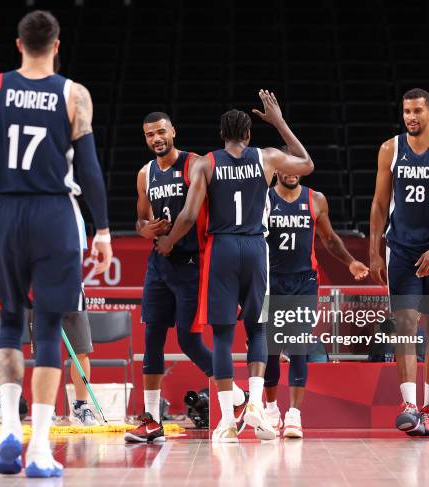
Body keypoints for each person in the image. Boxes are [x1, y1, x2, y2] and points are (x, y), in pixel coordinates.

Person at [0, 10, 112, 477]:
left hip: (4, 212)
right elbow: (90, 169)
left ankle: (8, 429)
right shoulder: (73, 94)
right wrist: (102, 230)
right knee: (47, 331)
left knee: (7, 324)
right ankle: (39, 449)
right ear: (57, 45)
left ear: (19, 45)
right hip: (54, 212)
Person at [156, 90, 314, 443]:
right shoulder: (268, 157)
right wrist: (279, 121)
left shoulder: (205, 163)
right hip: (257, 247)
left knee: (223, 336)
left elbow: (188, 214)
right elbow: (306, 164)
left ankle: (227, 420)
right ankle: (256, 405)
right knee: (258, 330)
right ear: (248, 135)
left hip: (222, 248)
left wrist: (168, 241)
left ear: (222, 135)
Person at [125, 112, 247, 444]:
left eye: (161, 132)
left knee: (188, 340)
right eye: (150, 134)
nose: (156, 139)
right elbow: (139, 219)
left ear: (173, 130)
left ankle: (236, 395)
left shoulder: (194, 164)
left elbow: (190, 214)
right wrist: (145, 230)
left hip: (191, 264)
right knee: (151, 337)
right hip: (159, 264)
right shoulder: (144, 173)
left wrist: (170, 240)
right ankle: (150, 420)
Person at [369, 88, 429, 437]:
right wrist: (374, 250)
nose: (411, 116)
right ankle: (409, 406)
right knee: (404, 324)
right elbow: (379, 204)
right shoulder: (390, 149)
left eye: (417, 111)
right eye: (406, 111)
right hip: (402, 251)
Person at [263, 168, 369, 438]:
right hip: (270, 281)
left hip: (304, 282)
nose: (291, 172)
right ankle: (272, 409)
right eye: (285, 167)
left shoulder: (316, 199)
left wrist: (351, 261)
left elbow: (330, 238)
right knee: (270, 350)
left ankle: (295, 416)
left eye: (296, 167)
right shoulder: (264, 199)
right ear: (276, 170)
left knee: (299, 345)